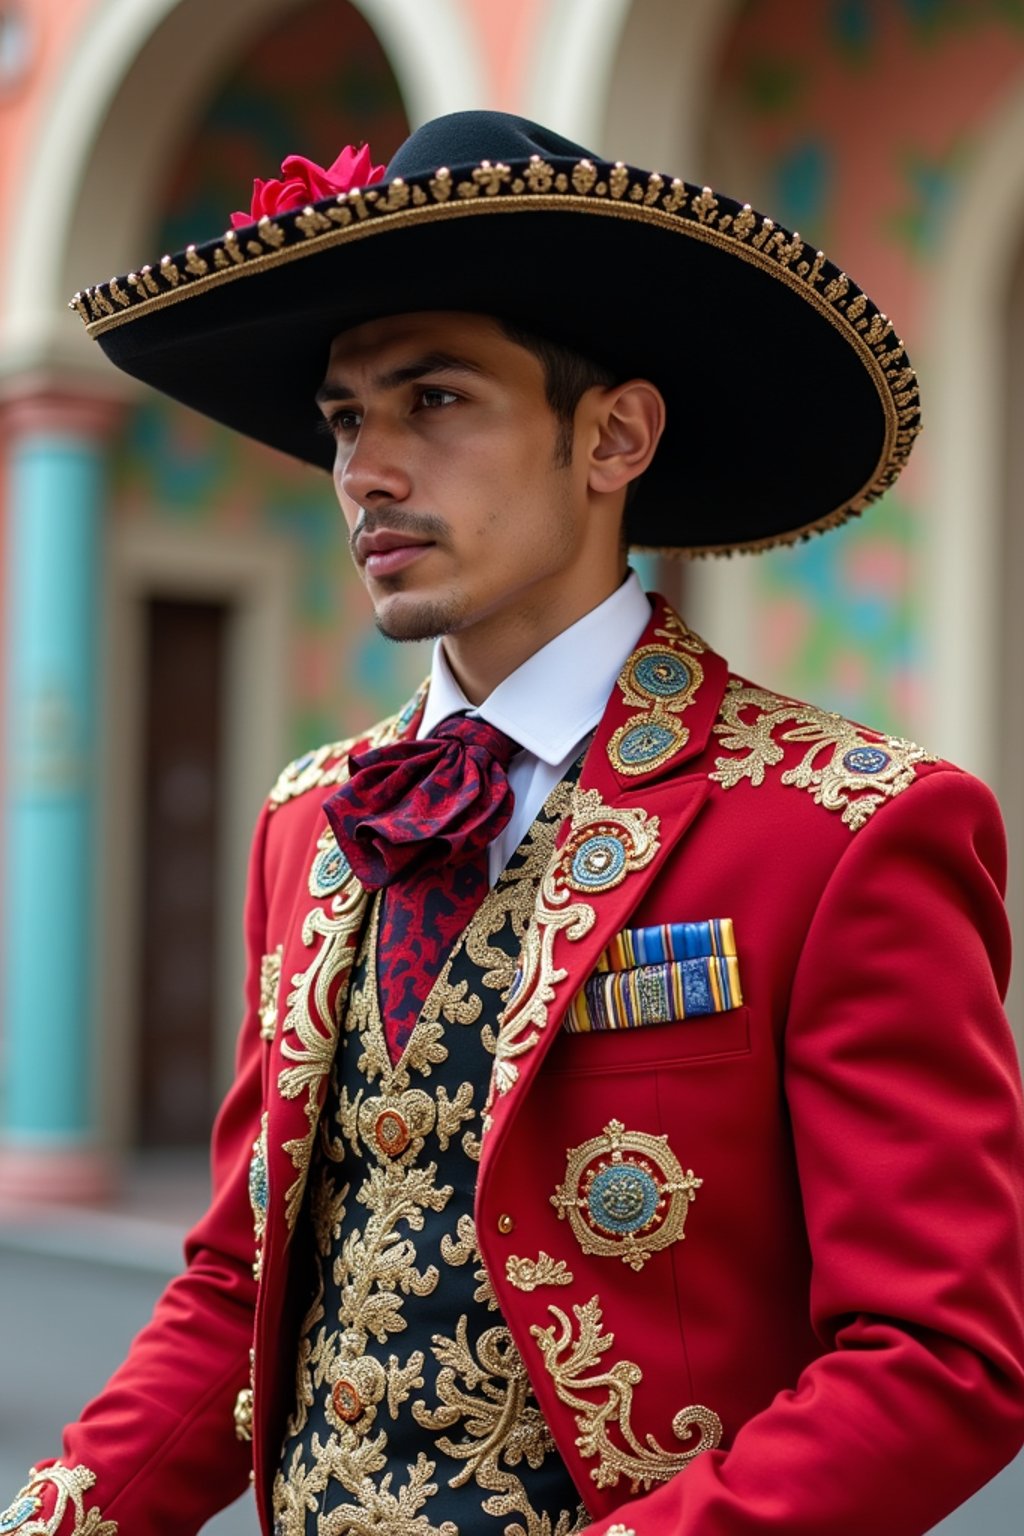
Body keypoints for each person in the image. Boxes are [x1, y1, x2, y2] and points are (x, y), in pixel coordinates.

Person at [5, 109, 1023, 1536]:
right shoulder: (307, 822)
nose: (366, 470)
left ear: (613, 437)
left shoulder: (846, 829)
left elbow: (941, 1360)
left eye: (434, 401)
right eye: (347, 419)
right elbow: (238, 1293)